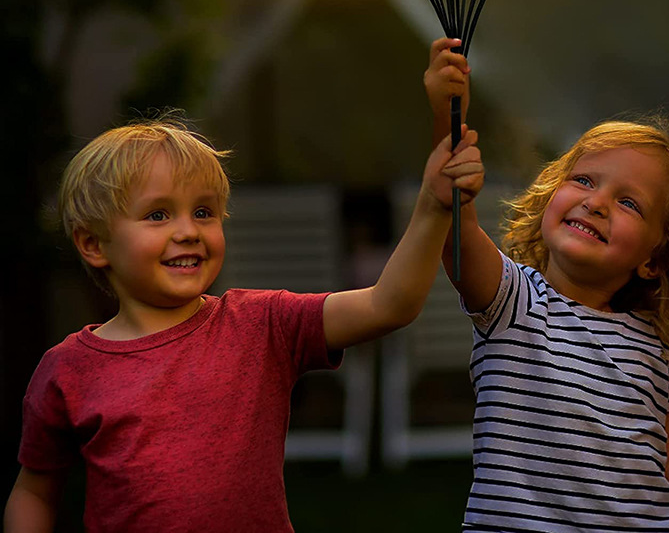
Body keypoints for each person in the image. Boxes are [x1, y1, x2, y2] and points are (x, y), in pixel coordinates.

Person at [4, 114, 484, 533]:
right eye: (157, 214)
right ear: (94, 244)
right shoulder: (68, 370)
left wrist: (431, 206)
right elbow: (35, 491)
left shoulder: (260, 323)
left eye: (204, 212)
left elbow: (388, 305)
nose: (188, 230)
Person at [424, 37, 669, 533]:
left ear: (654, 260)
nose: (597, 202)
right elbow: (458, 235)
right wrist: (446, 122)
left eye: (629, 203)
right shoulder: (515, 302)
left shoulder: (647, 344)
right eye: (583, 180)